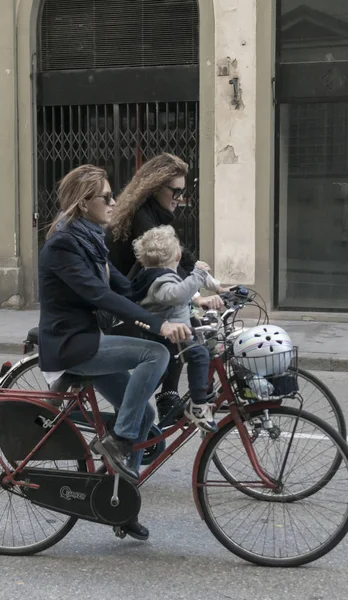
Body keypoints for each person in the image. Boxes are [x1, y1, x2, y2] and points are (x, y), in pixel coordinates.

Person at [38, 165, 191, 541]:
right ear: (83, 202)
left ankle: (122, 503)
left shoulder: (91, 238)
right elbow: (99, 295)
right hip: (73, 343)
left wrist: (189, 291)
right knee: (154, 355)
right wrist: (157, 327)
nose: (114, 202)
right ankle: (118, 441)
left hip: (89, 338)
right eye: (106, 197)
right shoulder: (64, 243)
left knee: (145, 414)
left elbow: (129, 288)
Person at [107, 153, 226, 420]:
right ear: (156, 187)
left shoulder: (155, 213)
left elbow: (180, 255)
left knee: (185, 325)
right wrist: (197, 297)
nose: (180, 198)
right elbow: (165, 265)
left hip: (141, 294)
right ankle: (156, 404)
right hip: (123, 302)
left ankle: (165, 397)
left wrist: (216, 286)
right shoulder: (142, 217)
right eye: (176, 191)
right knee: (180, 329)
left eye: (183, 192)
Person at [131, 225, 219, 431]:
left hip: (171, 335)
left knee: (159, 375)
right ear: (177, 255)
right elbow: (176, 294)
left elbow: (185, 289)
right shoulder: (160, 279)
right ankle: (198, 405)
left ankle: (131, 403)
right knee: (199, 355)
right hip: (168, 337)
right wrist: (197, 275)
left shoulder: (156, 274)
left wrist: (210, 284)